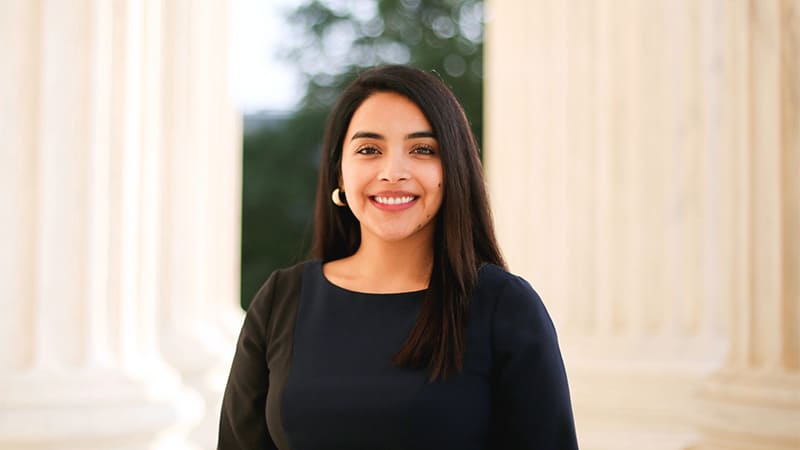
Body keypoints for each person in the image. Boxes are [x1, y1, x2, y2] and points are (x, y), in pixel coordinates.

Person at [218, 65, 578, 450]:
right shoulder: (281, 300)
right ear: (339, 172)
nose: (393, 172)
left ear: (452, 170)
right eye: (369, 150)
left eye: (422, 150)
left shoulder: (505, 307)